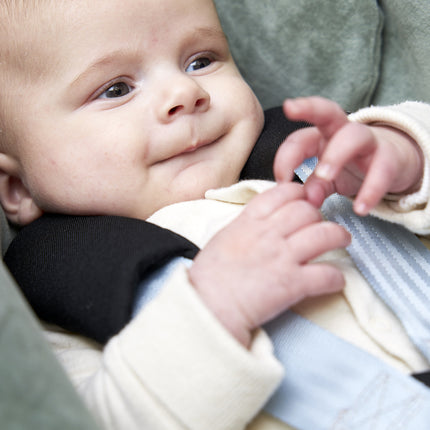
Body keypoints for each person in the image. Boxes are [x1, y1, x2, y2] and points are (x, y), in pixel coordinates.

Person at [1, 0, 430, 429]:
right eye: (116, 89)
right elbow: (95, 419)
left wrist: (404, 154)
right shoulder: (59, 304)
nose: (185, 94)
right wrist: (211, 313)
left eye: (200, 61)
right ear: (17, 189)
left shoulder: (318, 153)